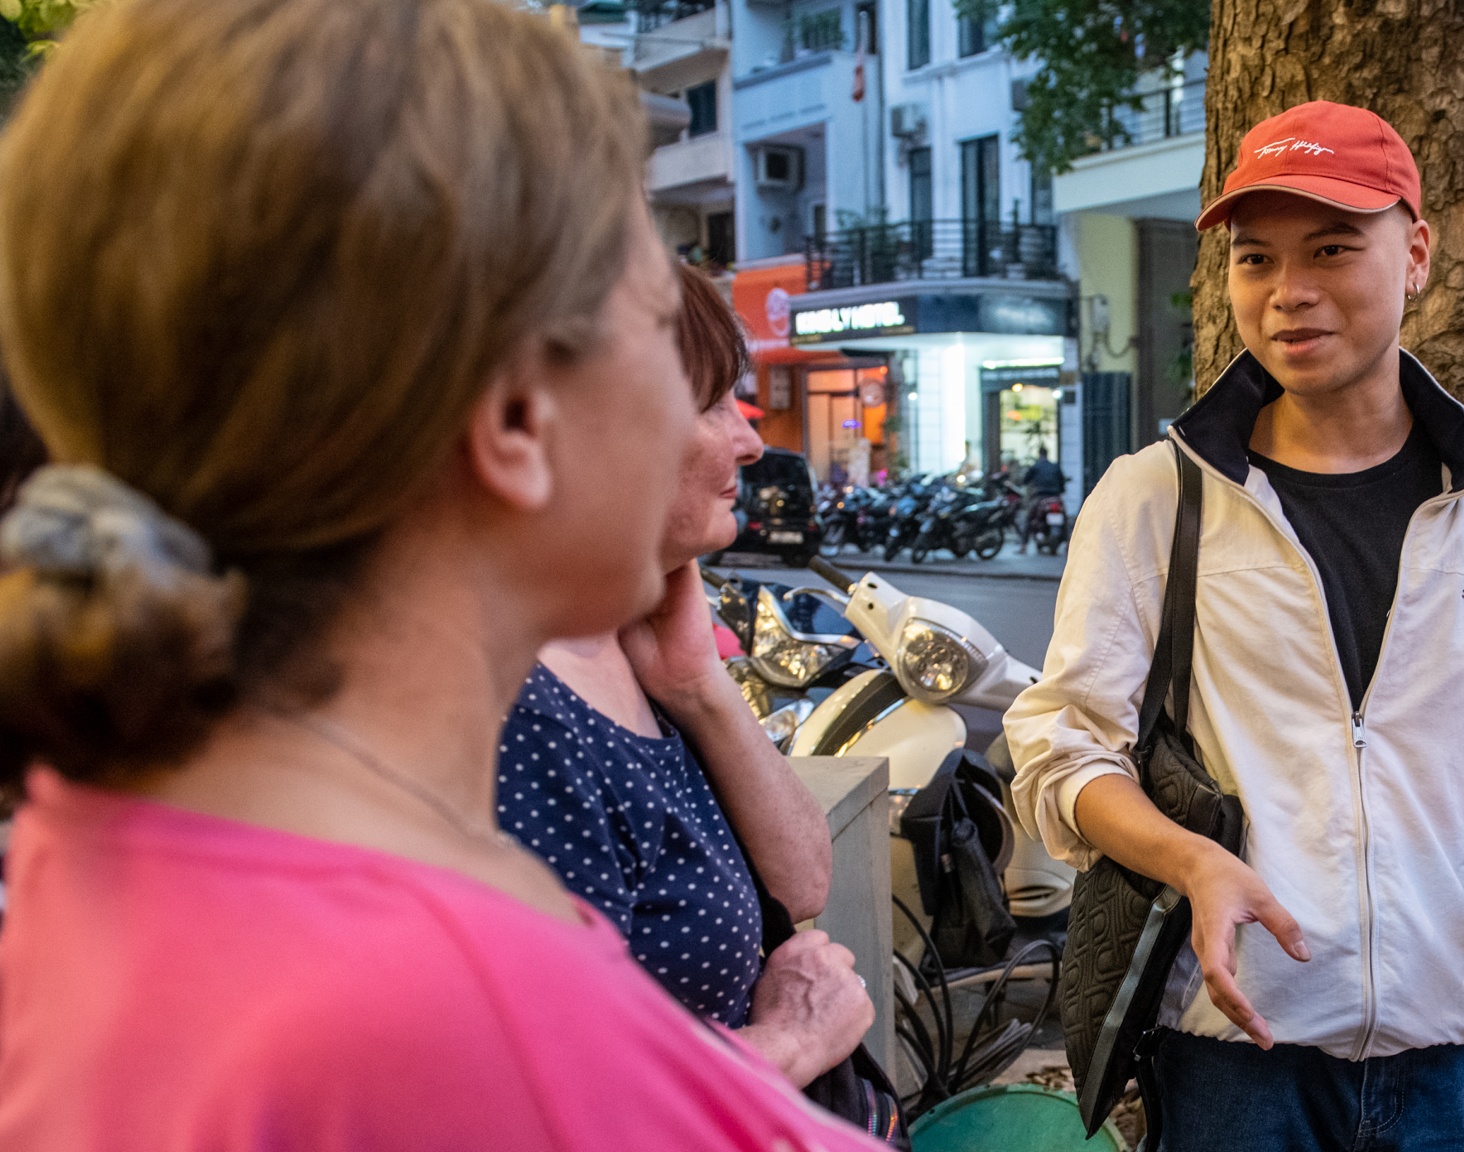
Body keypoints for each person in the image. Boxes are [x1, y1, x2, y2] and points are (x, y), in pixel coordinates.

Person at [0, 1, 884, 1149]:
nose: (714, 425)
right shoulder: (455, 1020)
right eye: (662, 332)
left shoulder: (106, 838)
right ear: (517, 418)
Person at [1005, 101, 1464, 1152]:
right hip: (1236, 1048)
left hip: (1452, 1043)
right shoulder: (1156, 499)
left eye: (1332, 248)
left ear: (1413, 253)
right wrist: (1190, 862)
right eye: (1254, 259)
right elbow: (1061, 752)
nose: (1288, 291)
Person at [497, 262, 872, 1086]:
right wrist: (793, 1043)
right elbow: (561, 1098)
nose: (751, 439)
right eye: (710, 404)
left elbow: (802, 879)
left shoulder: (637, 648)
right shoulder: (525, 714)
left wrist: (699, 688)